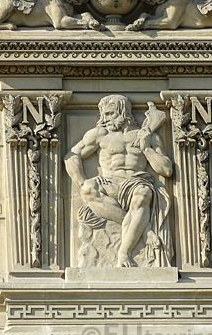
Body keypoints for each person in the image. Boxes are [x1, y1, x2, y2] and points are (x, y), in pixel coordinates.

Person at [64, 95, 173, 267]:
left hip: (135, 181)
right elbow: (71, 157)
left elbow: (166, 169)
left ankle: (124, 252)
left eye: (109, 114)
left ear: (123, 112)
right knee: (88, 189)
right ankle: (145, 229)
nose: (104, 119)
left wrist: (146, 148)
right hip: (108, 182)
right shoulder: (100, 134)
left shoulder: (145, 135)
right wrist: (81, 181)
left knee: (143, 193)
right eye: (103, 114)